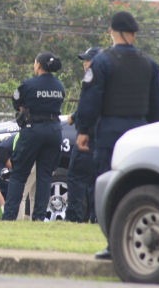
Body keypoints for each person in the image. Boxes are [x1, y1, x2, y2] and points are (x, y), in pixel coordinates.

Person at [76, 11, 159, 259]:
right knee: (137, 184)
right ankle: (135, 238)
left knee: (107, 185)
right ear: (134, 34)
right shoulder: (150, 63)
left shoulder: (102, 62)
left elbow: (91, 99)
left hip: (110, 133)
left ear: (111, 32)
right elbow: (157, 108)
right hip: (140, 133)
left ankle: (113, 244)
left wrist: (84, 130)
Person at [2, 52, 65, 222]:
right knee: (44, 177)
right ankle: (38, 218)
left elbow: (17, 102)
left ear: (38, 65)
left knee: (19, 174)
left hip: (33, 130)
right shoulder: (59, 86)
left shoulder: (29, 84)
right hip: (54, 131)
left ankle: (9, 217)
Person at [65, 47, 101, 223]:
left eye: (87, 60)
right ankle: (96, 217)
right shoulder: (110, 78)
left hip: (88, 136)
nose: (84, 64)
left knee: (76, 176)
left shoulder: (93, 78)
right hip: (102, 137)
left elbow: (89, 106)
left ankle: (74, 217)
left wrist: (75, 118)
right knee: (96, 179)